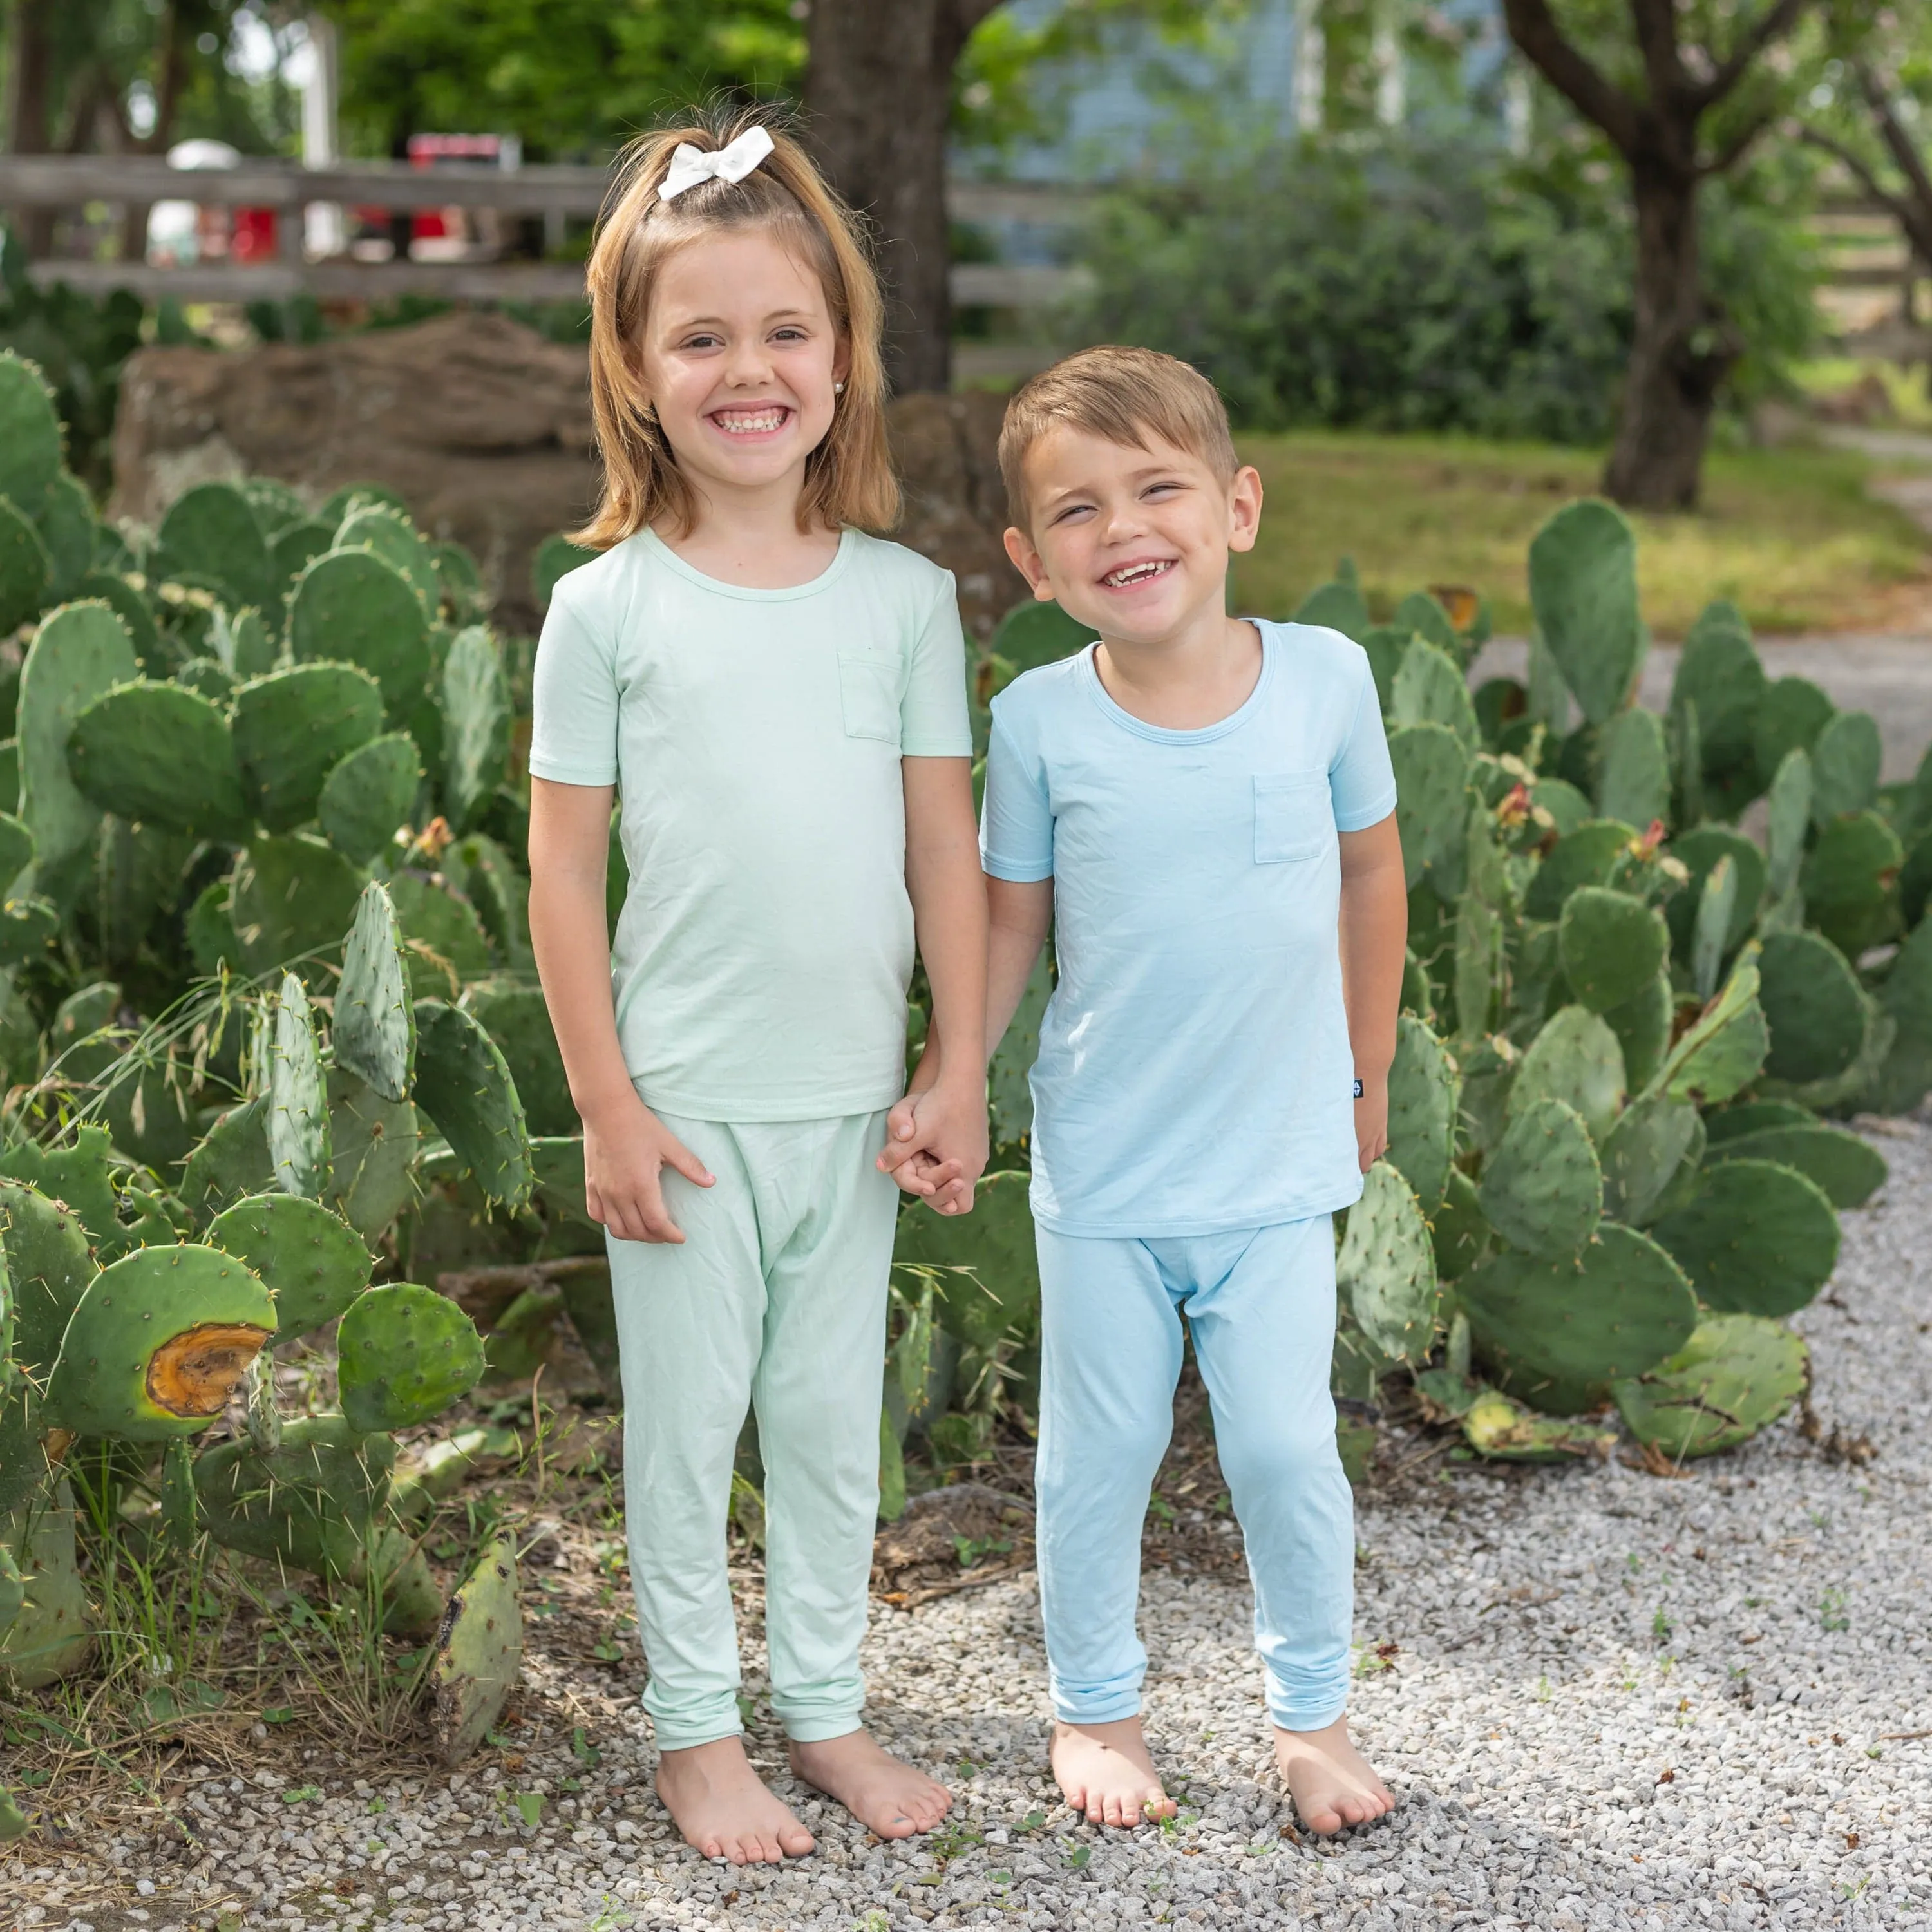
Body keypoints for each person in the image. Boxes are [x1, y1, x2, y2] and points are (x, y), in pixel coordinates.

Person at [525, 108, 989, 1868]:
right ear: (637, 374)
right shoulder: (610, 613)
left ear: (846, 355)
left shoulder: (903, 600)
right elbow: (566, 873)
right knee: (686, 1432)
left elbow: (944, 850)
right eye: (701, 336)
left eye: (786, 330)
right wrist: (609, 1107)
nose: (749, 369)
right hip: (690, 1109)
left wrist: (955, 1069)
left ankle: (827, 1710)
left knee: (822, 1428)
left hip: (858, 1103)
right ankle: (695, 1736)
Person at [936, 343, 1406, 1835]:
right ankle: (1096, 1711)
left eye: (1158, 490)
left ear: (1238, 506)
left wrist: (1368, 1066)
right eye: (1076, 510)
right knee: (1103, 1455)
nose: (1122, 530)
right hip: (1108, 1172)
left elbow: (1372, 872)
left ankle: (1313, 1718)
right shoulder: (1037, 725)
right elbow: (1011, 919)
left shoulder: (1328, 682)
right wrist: (956, 1076)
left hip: (1277, 1162)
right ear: (1028, 558)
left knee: (1282, 1446)